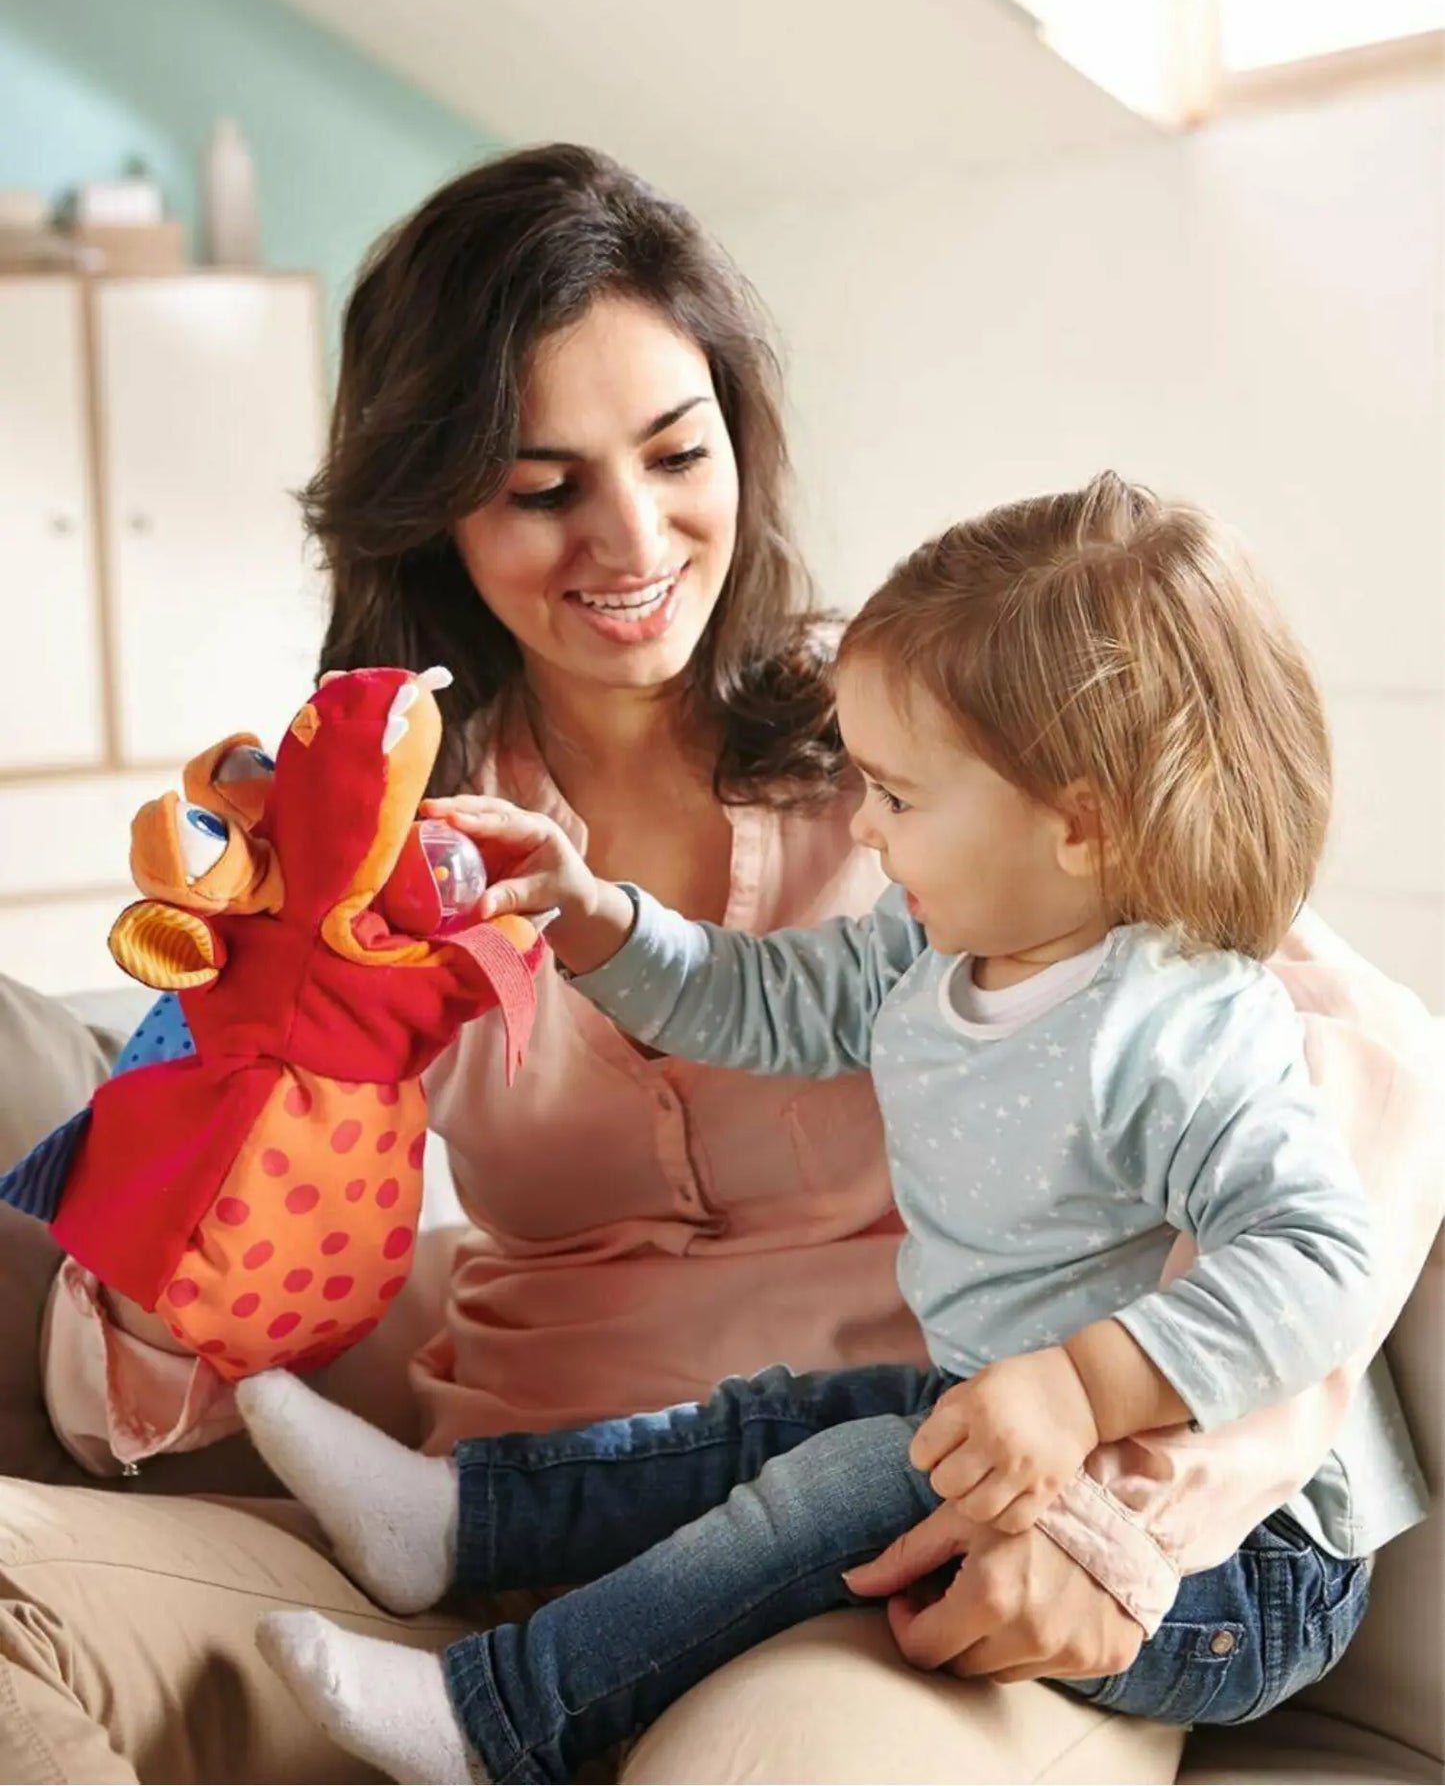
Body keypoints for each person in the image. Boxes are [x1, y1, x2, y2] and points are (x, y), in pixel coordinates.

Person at [0, 147, 1433, 1786]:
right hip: (509, 1538)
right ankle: (471, 1575)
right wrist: (268, 1047)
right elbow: (119, 1396)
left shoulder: (949, 751)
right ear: (432, 506)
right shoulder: (374, 826)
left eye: (677, 454)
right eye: (540, 487)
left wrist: (1119, 1513)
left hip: (924, 1562)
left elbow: (1364, 1097)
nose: (630, 538)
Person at [235, 478, 1389, 1784]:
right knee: (769, 1426)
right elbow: (766, 1001)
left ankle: (498, 1718)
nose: (861, 825)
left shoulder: (1179, 1028)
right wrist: (591, 916)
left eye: (897, 795)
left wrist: (1081, 1384)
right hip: (1006, 1433)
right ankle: (458, 1523)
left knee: (856, 1477)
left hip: (1239, 1572)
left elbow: (1320, 1262)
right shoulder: (938, 948)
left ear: (1077, 823)